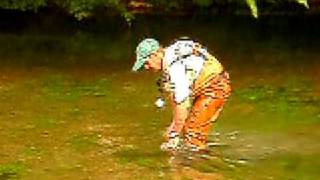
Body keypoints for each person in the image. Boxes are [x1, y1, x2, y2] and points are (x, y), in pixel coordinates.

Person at [132, 37, 231, 153]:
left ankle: (196, 166)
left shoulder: (175, 68)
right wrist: (175, 125)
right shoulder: (172, 55)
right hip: (212, 82)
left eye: (146, 62)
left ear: (156, 54)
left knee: (193, 134)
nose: (146, 67)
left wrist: (174, 134)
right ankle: (196, 156)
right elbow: (177, 98)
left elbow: (182, 105)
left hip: (214, 88)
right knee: (189, 128)